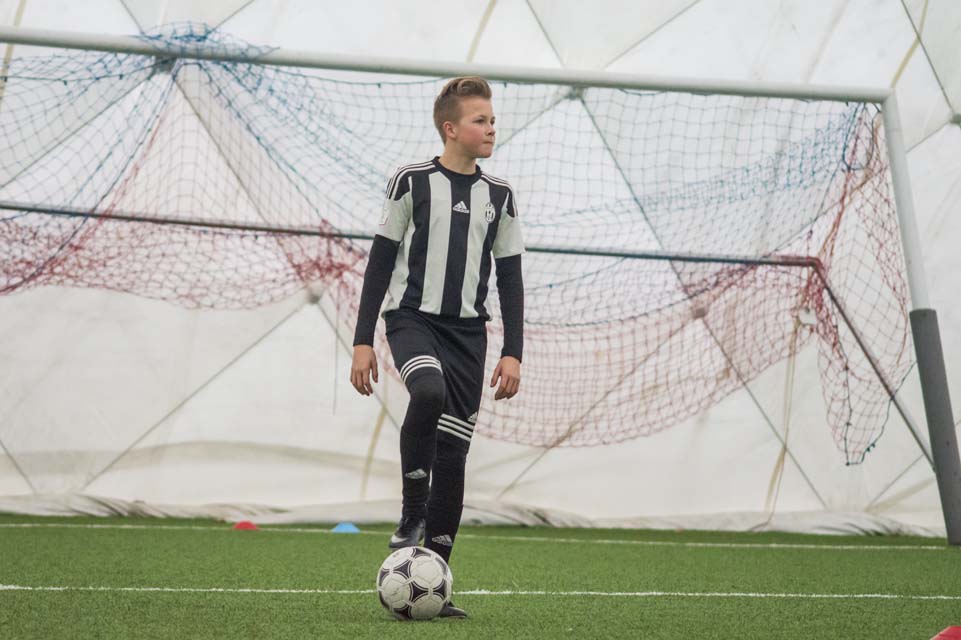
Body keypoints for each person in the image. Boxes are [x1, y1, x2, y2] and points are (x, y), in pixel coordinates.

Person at [350, 76, 524, 619]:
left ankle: (436, 583)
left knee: (453, 453)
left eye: (492, 120)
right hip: (412, 320)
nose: (490, 128)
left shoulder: (500, 196)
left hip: (469, 335)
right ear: (451, 128)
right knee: (427, 392)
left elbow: (510, 277)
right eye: (480, 120)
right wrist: (362, 340)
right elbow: (381, 261)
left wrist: (513, 351)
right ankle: (412, 512)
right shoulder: (411, 182)